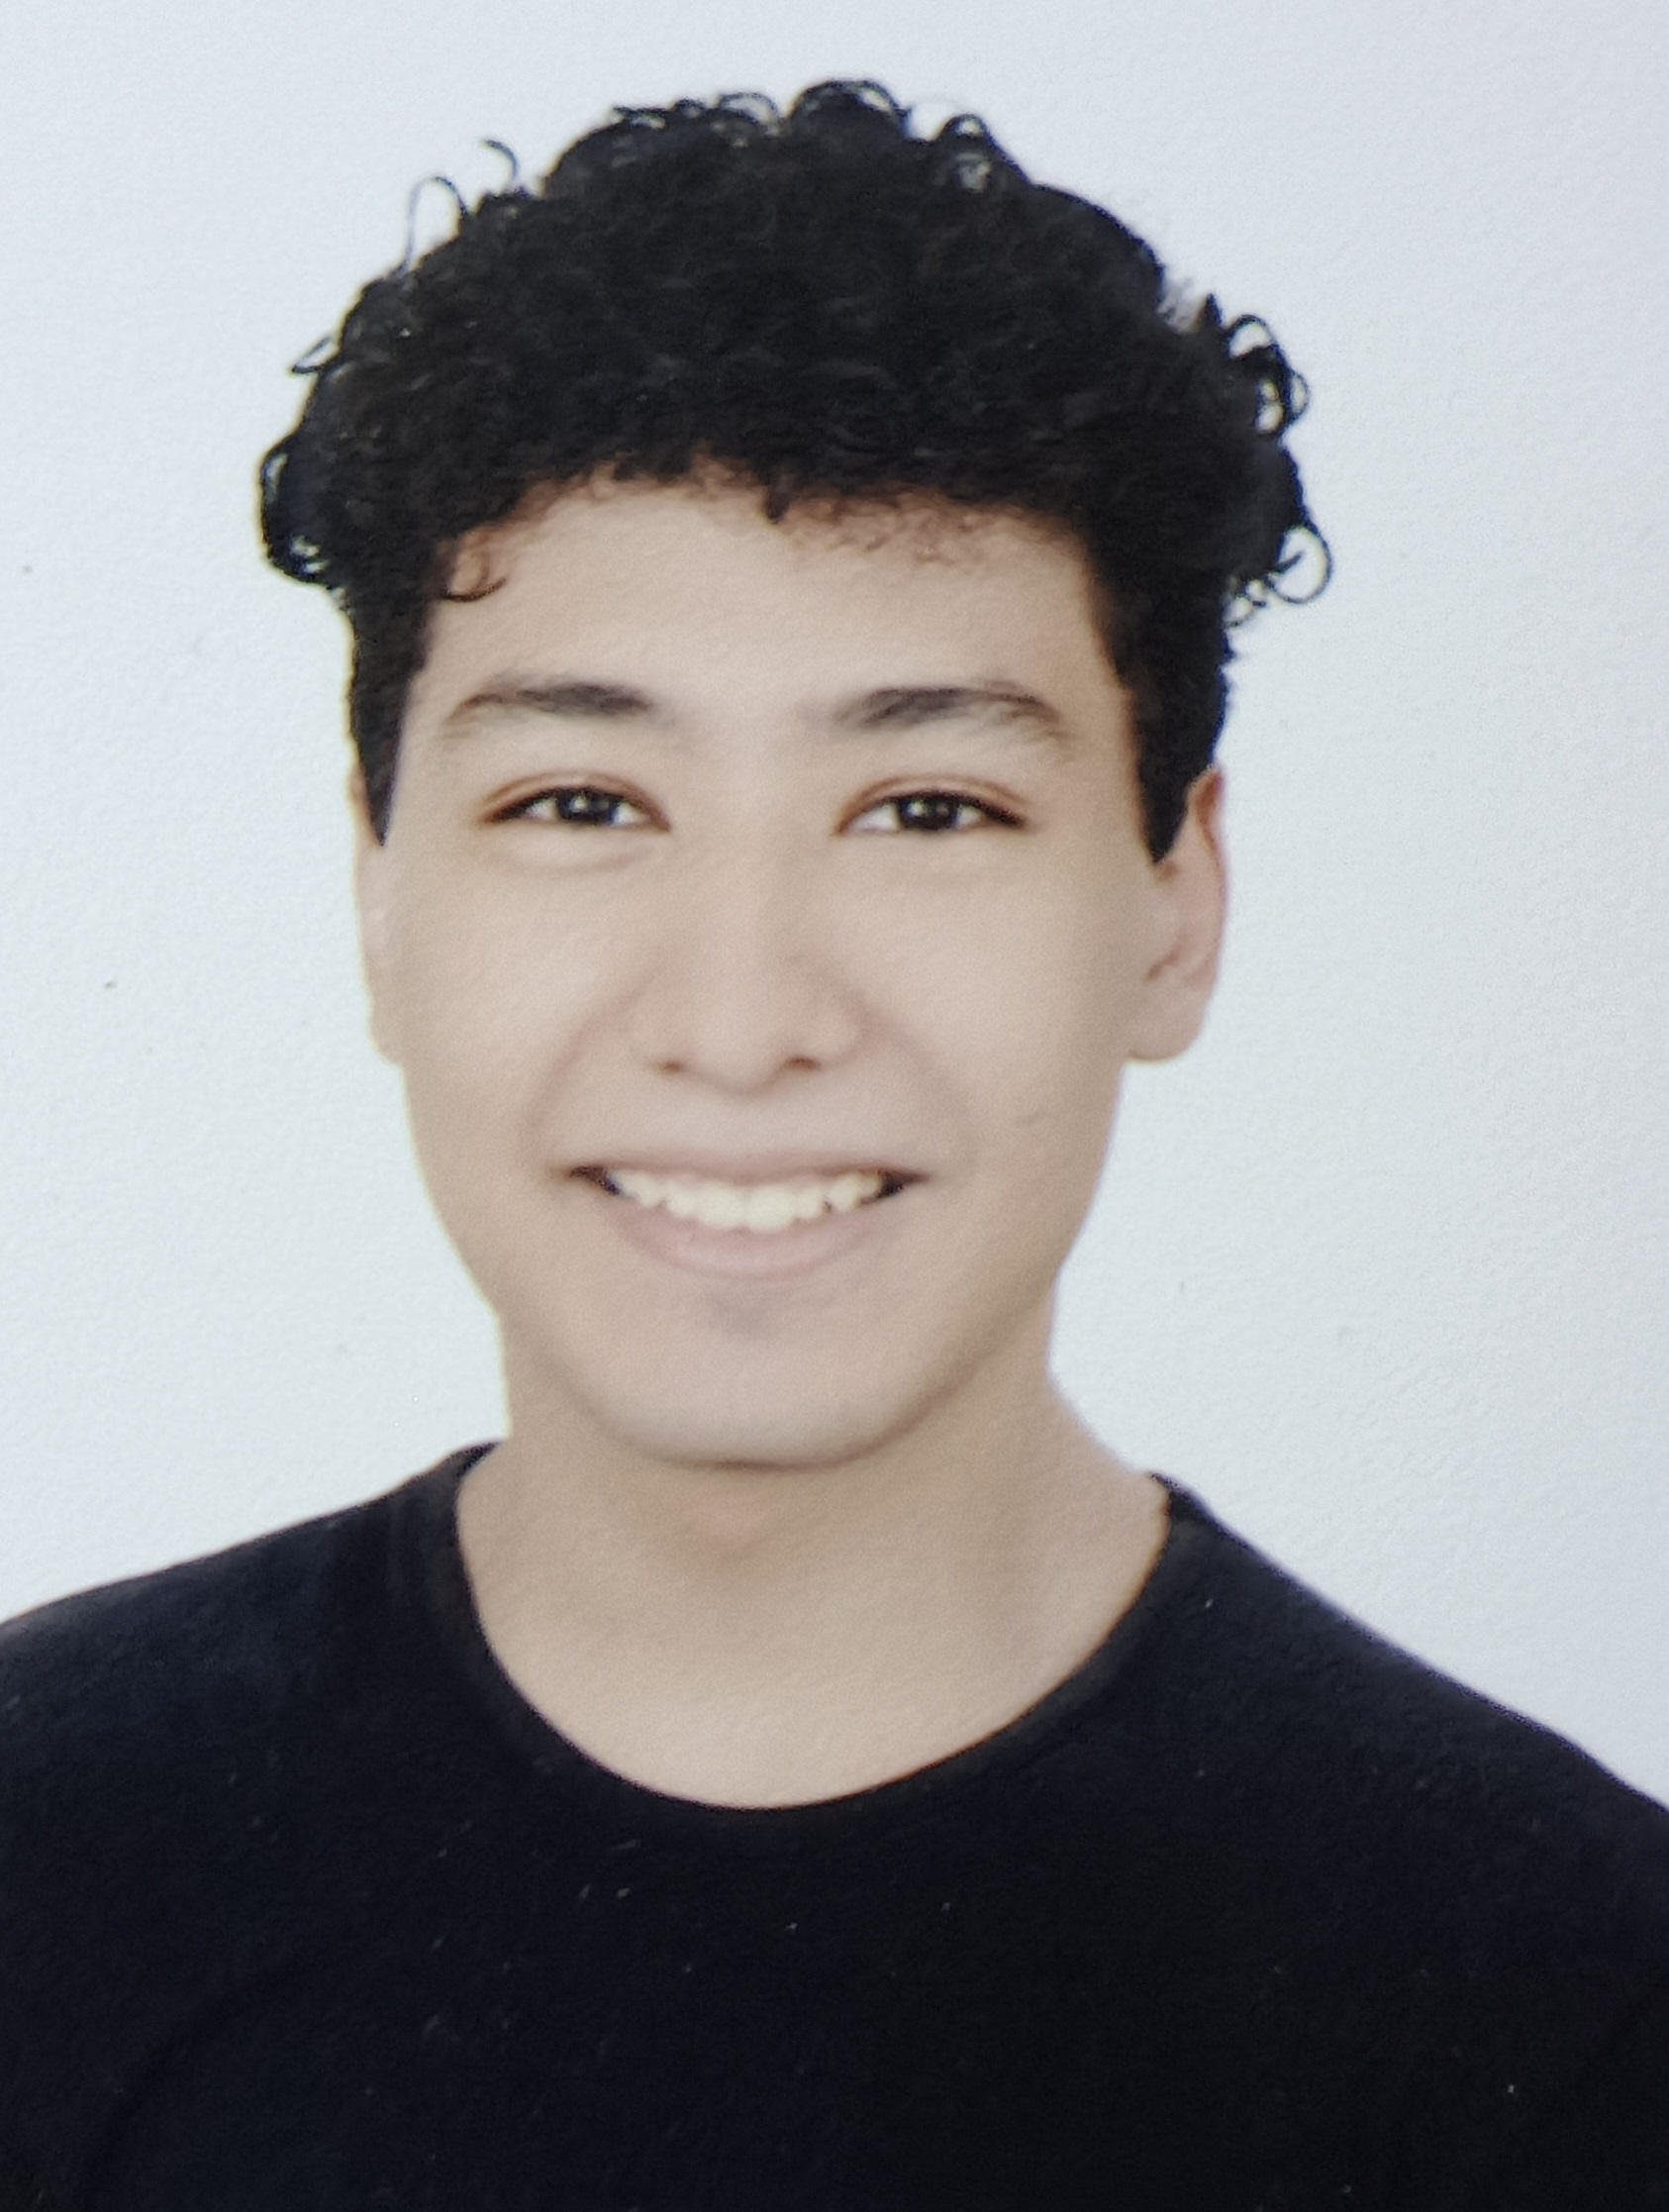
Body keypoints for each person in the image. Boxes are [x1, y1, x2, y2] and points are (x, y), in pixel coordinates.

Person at [1, 79, 1664, 2211]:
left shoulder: (1568, 2006)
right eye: (580, 803)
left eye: (927, 809)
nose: (742, 1017)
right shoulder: (46, 1859)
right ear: (380, 895)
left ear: (1176, 904)